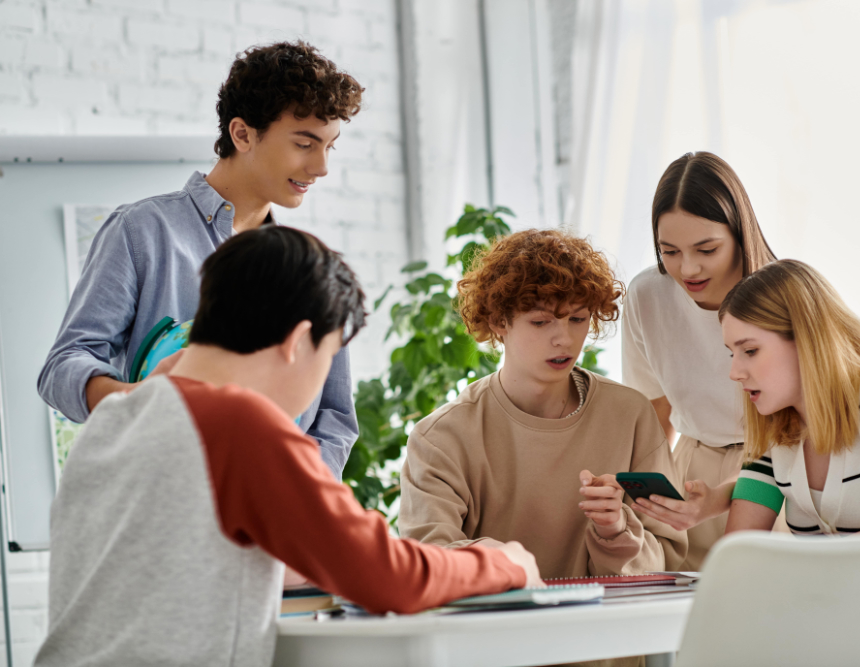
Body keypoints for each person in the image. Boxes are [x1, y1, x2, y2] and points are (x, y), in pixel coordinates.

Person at [33, 227, 541, 667]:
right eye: (327, 357)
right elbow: (386, 577)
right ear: (299, 341)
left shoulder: (119, 416)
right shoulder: (236, 422)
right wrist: (507, 563)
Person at [37, 41, 360, 477]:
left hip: (273, 523)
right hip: (164, 505)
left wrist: (291, 492)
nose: (321, 167)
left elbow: (336, 418)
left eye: (330, 146)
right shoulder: (143, 231)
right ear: (242, 134)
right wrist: (141, 401)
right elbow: (63, 366)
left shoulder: (310, 269)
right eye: (305, 143)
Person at [399, 229, 688, 584]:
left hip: (608, 632)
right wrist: (506, 561)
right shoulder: (440, 437)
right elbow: (429, 560)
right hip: (494, 633)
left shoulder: (631, 416)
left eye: (578, 319)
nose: (564, 339)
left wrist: (616, 533)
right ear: (498, 323)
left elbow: (670, 555)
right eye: (540, 321)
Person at [714, 259, 860, 534]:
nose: (734, 373)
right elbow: (741, 548)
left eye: (750, 351)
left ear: (806, 339)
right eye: (731, 353)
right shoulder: (774, 423)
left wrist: (824, 560)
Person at [621, 151, 778, 569]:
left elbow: (803, 428)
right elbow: (655, 410)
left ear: (739, 233)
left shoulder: (784, 295)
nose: (687, 268)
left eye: (706, 249)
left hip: (776, 467)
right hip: (691, 471)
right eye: (669, 251)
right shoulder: (647, 296)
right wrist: (643, 498)